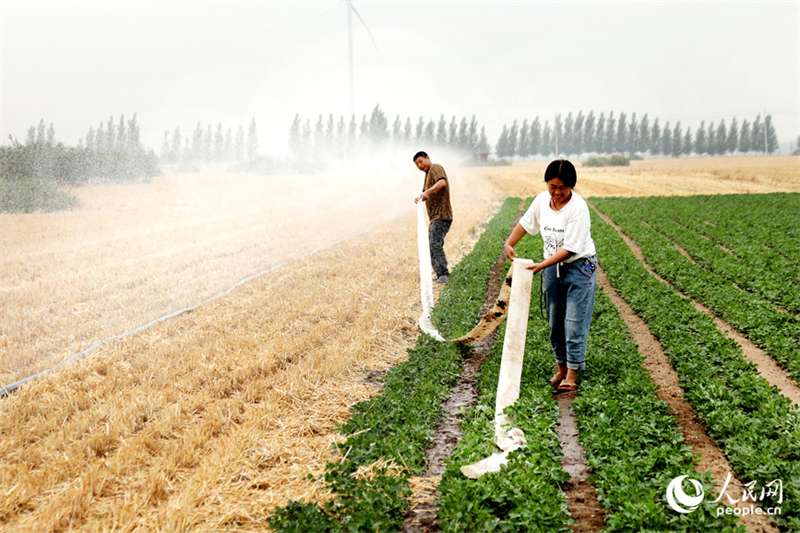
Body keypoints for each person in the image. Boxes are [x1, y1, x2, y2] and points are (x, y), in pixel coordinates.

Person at [503, 159, 597, 392]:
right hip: (553, 267)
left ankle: (572, 374)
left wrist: (542, 265)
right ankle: (561, 369)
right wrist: (509, 243)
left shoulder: (578, 208)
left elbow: (570, 249)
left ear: (571, 186)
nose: (557, 192)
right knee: (555, 320)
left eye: (562, 188)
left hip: (579, 266)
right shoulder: (541, 201)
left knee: (574, 321)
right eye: (552, 186)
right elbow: (526, 224)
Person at [413, 151, 453, 283]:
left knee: (435, 243)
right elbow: (427, 194)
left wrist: (427, 192)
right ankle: (440, 273)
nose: (420, 165)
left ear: (427, 158)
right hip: (435, 217)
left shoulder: (435, 167)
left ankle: (444, 274)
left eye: (421, 161)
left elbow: (442, 183)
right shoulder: (427, 175)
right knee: (432, 244)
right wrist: (421, 197)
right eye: (417, 164)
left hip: (442, 215)